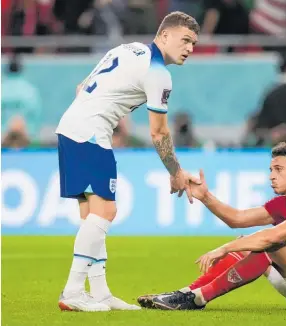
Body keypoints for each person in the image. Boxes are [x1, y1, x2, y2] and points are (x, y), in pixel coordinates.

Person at [55, 11, 201, 312]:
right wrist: (175, 172)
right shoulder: (159, 72)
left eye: (194, 44)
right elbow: (158, 131)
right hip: (91, 134)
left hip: (70, 127)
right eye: (185, 40)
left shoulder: (127, 48)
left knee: (91, 214)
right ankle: (71, 291)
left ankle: (99, 292)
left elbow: (81, 87)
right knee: (106, 210)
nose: (189, 48)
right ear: (164, 36)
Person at [138, 141, 286, 311]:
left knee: (269, 245)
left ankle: (198, 299)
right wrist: (205, 196)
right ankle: (184, 294)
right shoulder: (285, 204)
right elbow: (237, 219)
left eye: (278, 169)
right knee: (246, 244)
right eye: (271, 170)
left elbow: (270, 238)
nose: (271, 176)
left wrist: (224, 249)